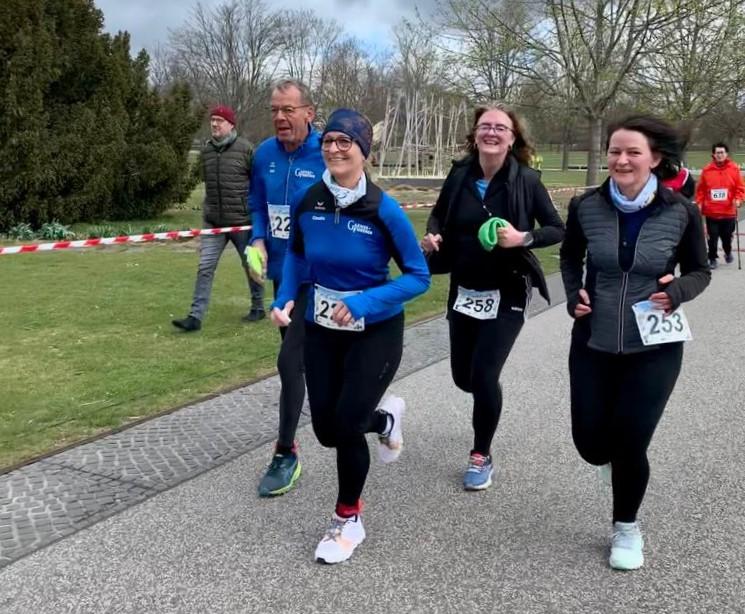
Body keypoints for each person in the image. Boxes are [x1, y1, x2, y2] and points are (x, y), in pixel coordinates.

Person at [270, 108, 430, 564]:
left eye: (346, 142)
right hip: (322, 328)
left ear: (364, 152)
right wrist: (285, 298)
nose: (335, 149)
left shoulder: (383, 209)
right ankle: (386, 422)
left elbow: (418, 277)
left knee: (346, 426)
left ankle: (348, 519)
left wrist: (363, 302)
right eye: (329, 141)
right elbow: (296, 258)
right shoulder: (309, 200)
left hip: (374, 330)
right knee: (326, 430)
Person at [560, 115, 710, 571]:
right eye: (614, 151)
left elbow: (700, 271)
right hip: (594, 341)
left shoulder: (682, 212)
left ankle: (626, 526)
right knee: (591, 445)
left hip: (655, 348)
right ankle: (614, 461)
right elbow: (569, 257)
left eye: (632, 152)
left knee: (630, 441)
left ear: (655, 158)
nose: (621, 160)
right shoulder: (586, 206)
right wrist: (573, 294)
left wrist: (678, 291)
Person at [420, 102, 564, 491]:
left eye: (501, 128)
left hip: (508, 288)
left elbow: (557, 228)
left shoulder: (526, 180)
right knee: (463, 378)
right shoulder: (460, 175)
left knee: (484, 375)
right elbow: (438, 215)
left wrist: (522, 237)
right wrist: (433, 236)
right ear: (475, 135)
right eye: (486, 126)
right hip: (465, 288)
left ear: (512, 138)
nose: (492, 133)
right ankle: (487, 398)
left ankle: (481, 454)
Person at [249, 80, 326, 497]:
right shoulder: (264, 154)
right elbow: (257, 204)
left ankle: (284, 451)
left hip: (321, 278)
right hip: (283, 276)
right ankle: (376, 419)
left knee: (294, 362)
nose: (280, 117)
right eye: (274, 110)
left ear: (309, 112)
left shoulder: (327, 152)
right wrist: (258, 239)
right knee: (298, 364)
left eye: (288, 110)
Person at [172, 105, 263, 332]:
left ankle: (258, 307)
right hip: (213, 223)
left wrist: (254, 214)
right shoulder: (207, 152)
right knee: (205, 267)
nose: (214, 124)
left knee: (251, 265)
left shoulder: (246, 149)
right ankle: (195, 317)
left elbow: (258, 184)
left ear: (231, 125)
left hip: (243, 222)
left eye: (219, 121)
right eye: (212, 120)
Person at [695, 142, 744, 269]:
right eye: (717, 153)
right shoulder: (707, 170)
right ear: (713, 154)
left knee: (726, 237)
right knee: (712, 238)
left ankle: (728, 251)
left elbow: (740, 188)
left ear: (726, 154)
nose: (720, 155)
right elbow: (701, 190)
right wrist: (699, 202)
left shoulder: (734, 169)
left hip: (728, 212)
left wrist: (738, 199)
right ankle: (712, 258)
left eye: (722, 152)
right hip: (712, 212)